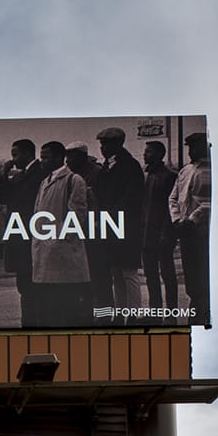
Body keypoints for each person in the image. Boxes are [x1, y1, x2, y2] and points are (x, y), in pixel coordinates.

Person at [27, 141, 92, 326]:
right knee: (48, 308)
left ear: (58, 157)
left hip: (62, 254)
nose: (42, 161)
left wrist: (57, 240)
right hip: (44, 251)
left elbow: (76, 215)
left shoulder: (74, 180)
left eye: (46, 157)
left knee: (65, 307)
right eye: (41, 157)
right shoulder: (44, 181)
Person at [94, 126, 146, 318]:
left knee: (128, 272)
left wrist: (112, 217)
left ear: (118, 143)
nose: (102, 147)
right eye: (101, 143)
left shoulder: (130, 166)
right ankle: (121, 312)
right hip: (110, 226)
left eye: (106, 143)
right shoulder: (107, 167)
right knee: (116, 272)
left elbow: (131, 199)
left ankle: (133, 314)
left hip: (125, 226)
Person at [0, 138, 46, 320]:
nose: (13, 159)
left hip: (30, 232)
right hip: (20, 232)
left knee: (31, 284)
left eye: (16, 155)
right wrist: (4, 175)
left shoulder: (39, 173)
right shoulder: (19, 176)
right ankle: (29, 320)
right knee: (24, 284)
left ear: (27, 153)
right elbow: (4, 198)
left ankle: (33, 321)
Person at [170, 130, 211, 324]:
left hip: (200, 231)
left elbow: (208, 203)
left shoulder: (209, 170)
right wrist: (177, 219)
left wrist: (192, 220)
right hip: (185, 230)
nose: (190, 151)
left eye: (194, 146)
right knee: (191, 276)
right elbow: (174, 198)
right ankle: (195, 310)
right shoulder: (185, 171)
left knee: (202, 274)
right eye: (189, 147)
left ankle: (201, 313)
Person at [140, 140, 179, 311]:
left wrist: (167, 233)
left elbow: (170, 207)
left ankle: (171, 312)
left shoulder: (168, 176)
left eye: (148, 152)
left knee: (168, 274)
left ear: (158, 154)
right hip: (147, 233)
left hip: (162, 234)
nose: (145, 154)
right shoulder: (146, 175)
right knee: (151, 275)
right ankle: (154, 311)